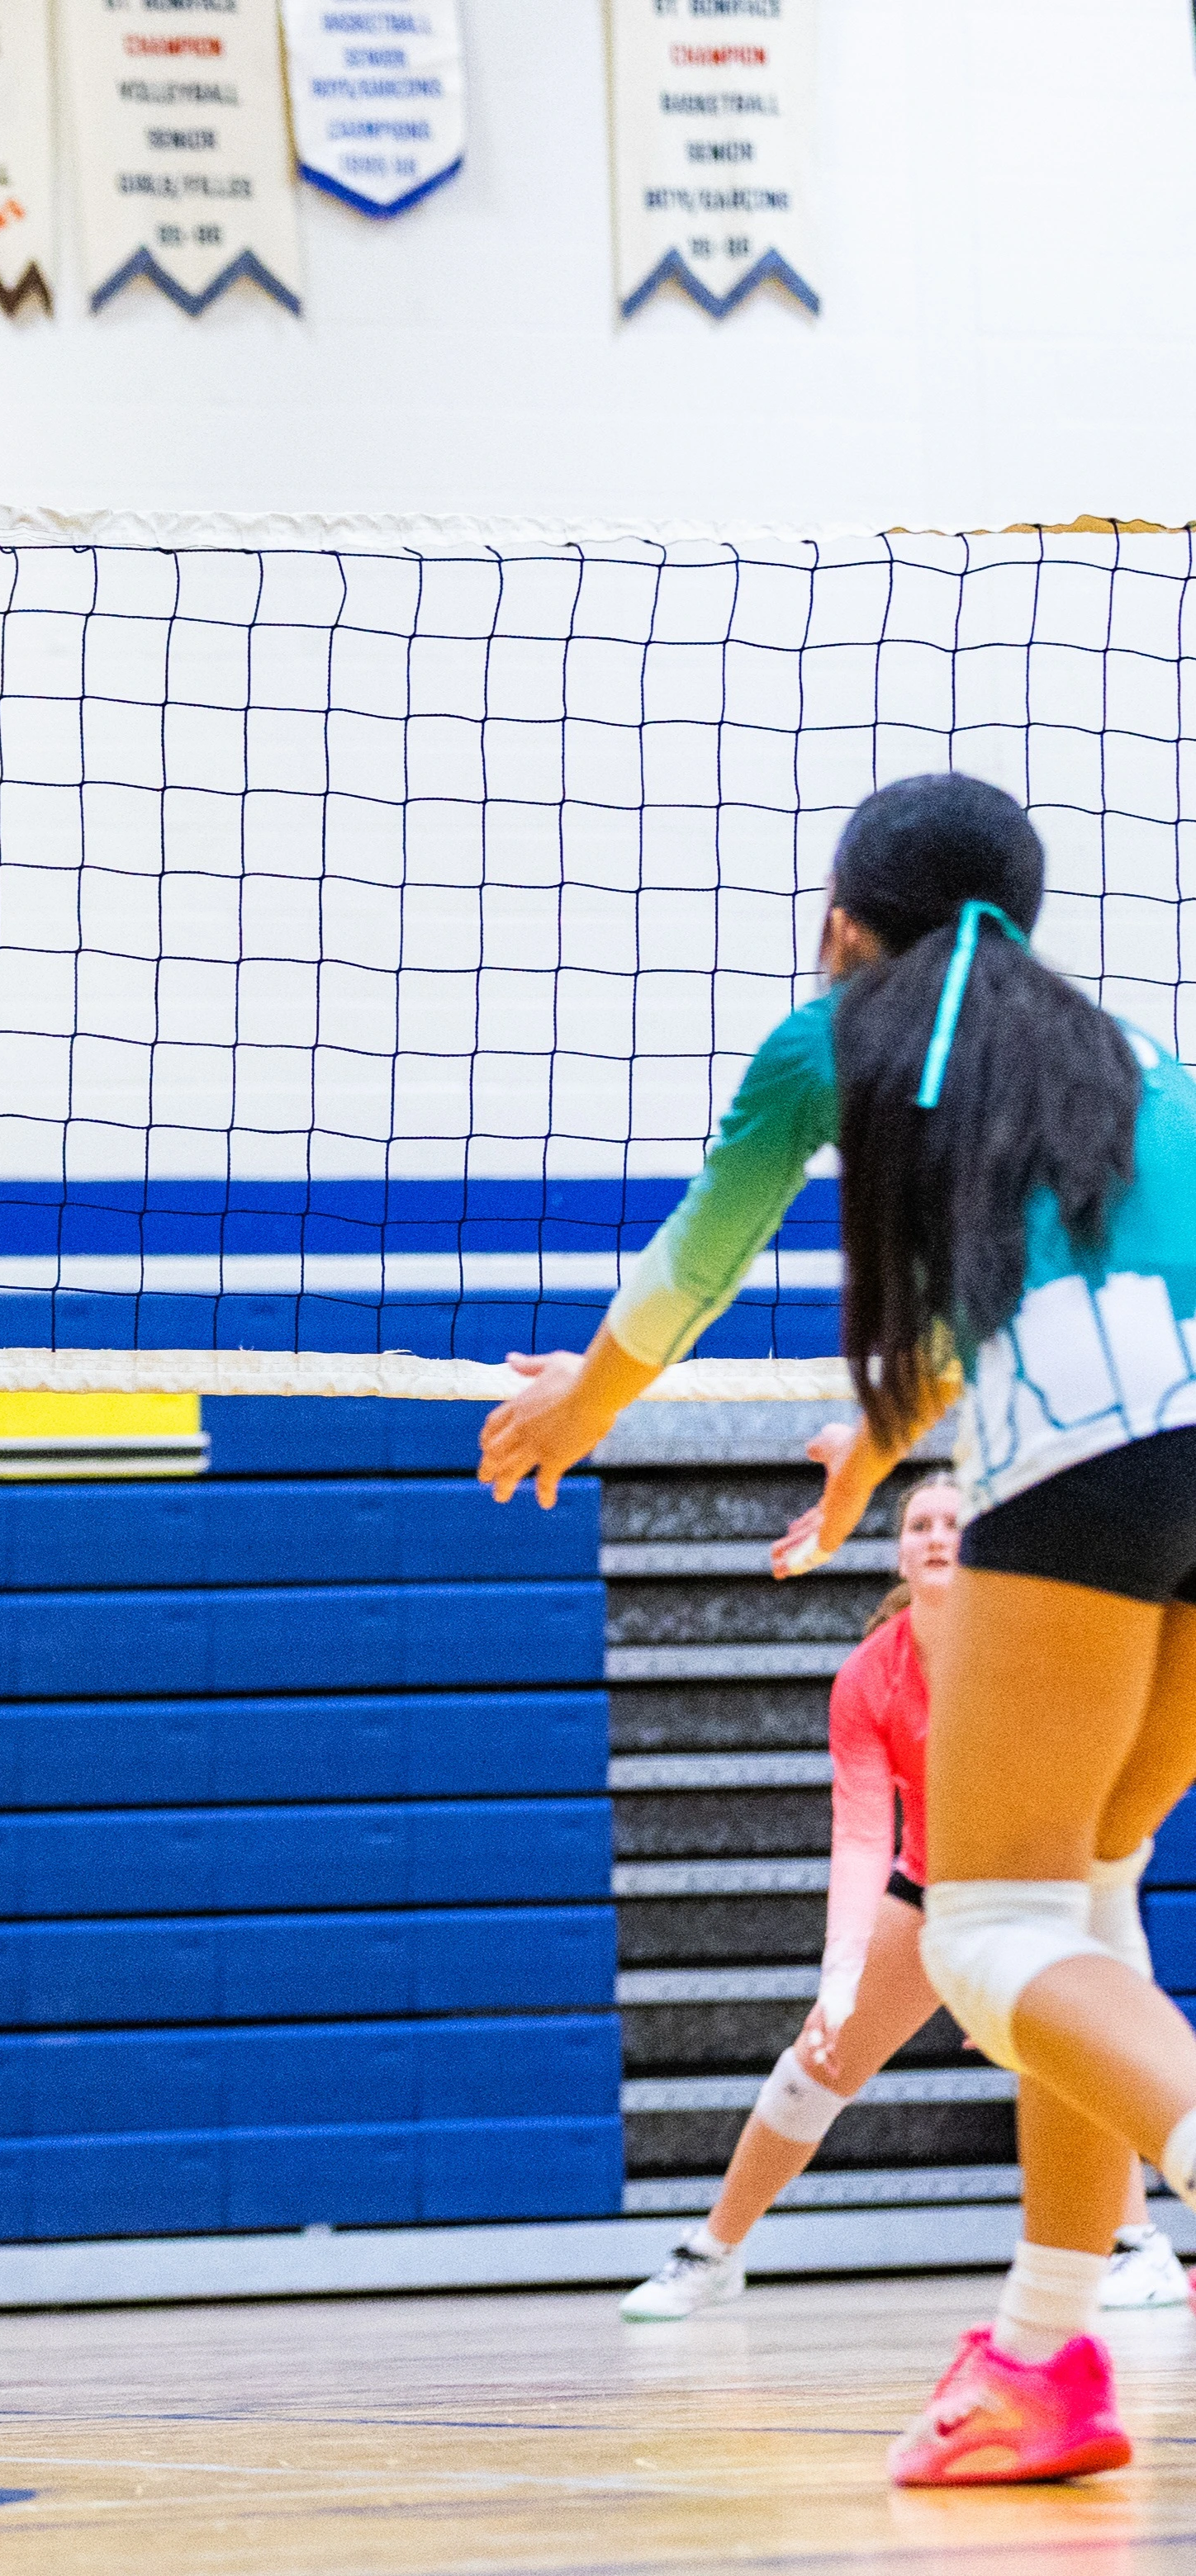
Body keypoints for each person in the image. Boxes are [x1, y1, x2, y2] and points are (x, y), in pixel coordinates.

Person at [482, 771, 1196, 2485]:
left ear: (841, 926)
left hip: (1099, 1455)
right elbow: (1039, 1294)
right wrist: (880, 1449)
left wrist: (579, 1408)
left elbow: (693, 1265)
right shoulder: (1120, 1054)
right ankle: (1040, 2358)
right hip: (1166, 1416)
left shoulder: (837, 1038)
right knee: (1086, 1896)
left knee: (987, 1937)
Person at [618, 1472, 1187, 2321]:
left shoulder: (1031, 1646)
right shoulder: (867, 1677)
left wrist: (1008, 1962)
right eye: (919, 1524)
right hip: (928, 1885)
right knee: (817, 2062)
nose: (936, 1536)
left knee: (1074, 2056)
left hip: (1045, 1881)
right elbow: (859, 1835)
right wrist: (840, 1976)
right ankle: (711, 2253)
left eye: (954, 1522)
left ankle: (1138, 2248)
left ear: (984, 1543)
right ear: (899, 1553)